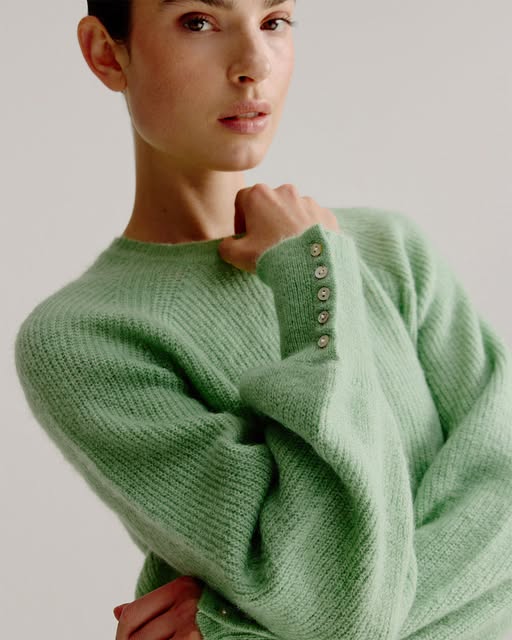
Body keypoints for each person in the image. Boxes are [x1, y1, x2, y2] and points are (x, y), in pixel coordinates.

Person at [13, 1, 512, 639]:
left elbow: (343, 611)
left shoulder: (390, 251)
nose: (254, 64)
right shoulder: (86, 339)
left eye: (274, 21)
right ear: (107, 53)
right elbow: (339, 599)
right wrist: (312, 280)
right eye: (198, 21)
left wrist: (237, 629)